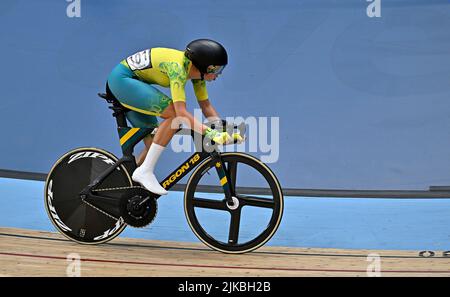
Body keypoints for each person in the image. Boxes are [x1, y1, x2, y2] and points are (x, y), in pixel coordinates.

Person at [107, 39, 242, 195]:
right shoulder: (177, 68)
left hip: (135, 83)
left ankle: (126, 185)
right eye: (218, 69)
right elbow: (181, 114)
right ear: (206, 66)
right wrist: (210, 133)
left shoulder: (198, 74)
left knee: (153, 145)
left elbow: (206, 106)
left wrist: (221, 130)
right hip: (122, 80)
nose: (220, 74)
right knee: (174, 117)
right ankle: (144, 171)